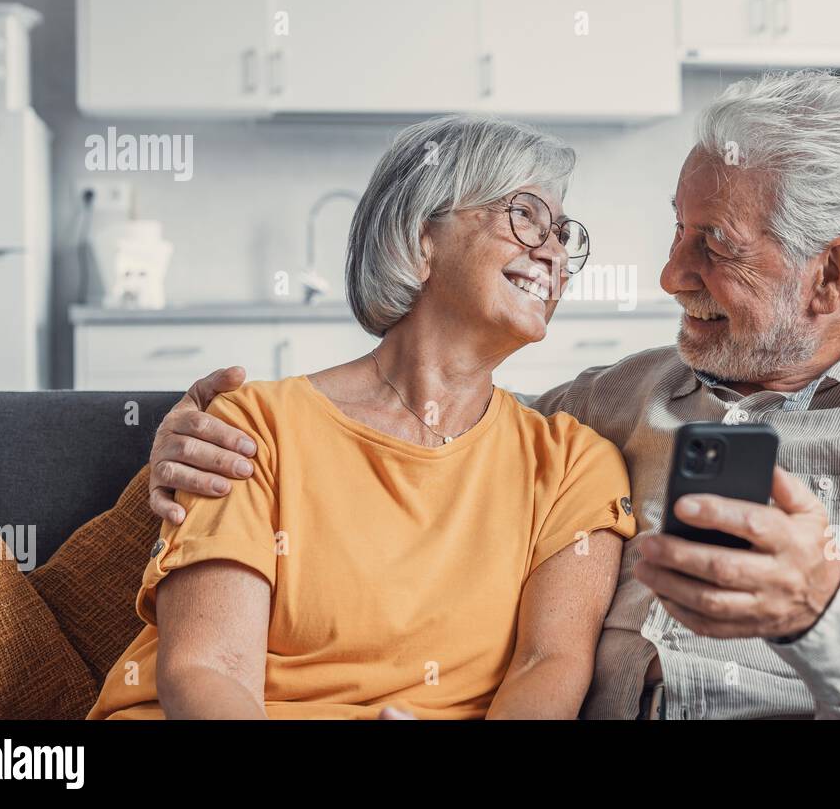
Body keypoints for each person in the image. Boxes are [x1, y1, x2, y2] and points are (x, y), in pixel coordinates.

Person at [147, 70, 840, 719]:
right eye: (676, 233)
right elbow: (424, 442)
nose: (669, 274)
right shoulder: (601, 410)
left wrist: (822, 606)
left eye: (715, 247)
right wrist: (185, 443)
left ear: (830, 276)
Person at [89, 115, 636, 720]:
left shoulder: (574, 465)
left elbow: (548, 668)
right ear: (420, 239)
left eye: (563, 232)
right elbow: (208, 671)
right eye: (525, 214)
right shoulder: (255, 426)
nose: (553, 249)